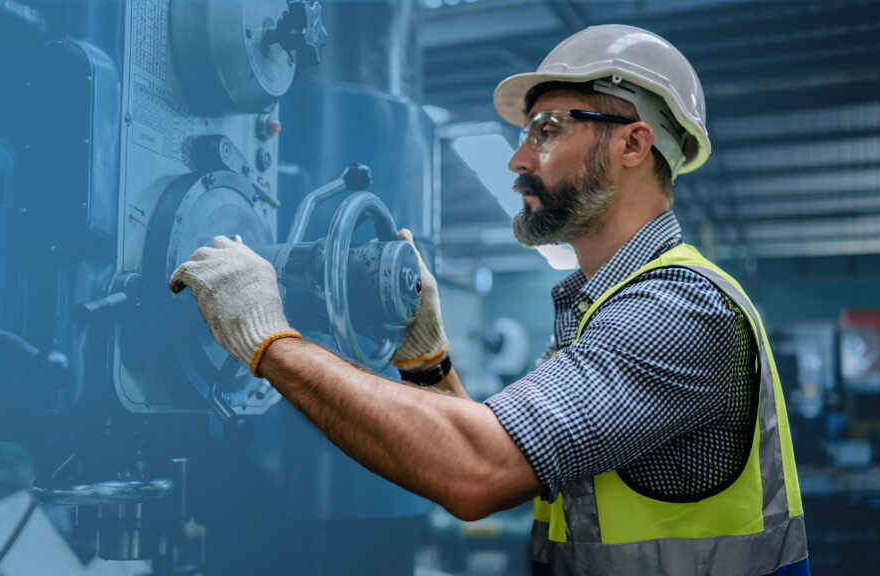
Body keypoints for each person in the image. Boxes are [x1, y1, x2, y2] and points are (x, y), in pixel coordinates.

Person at [169, 24, 808, 576]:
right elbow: (503, 453)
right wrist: (428, 362)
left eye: (547, 131)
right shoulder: (606, 307)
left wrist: (268, 339)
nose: (518, 159)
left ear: (633, 145)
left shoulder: (677, 309)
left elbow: (476, 474)